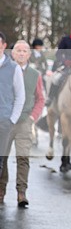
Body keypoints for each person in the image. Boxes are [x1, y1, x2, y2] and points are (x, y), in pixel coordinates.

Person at [0, 41, 44, 207]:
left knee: (23, 157)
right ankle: (1, 190)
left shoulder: (35, 74)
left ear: (29, 54)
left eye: (25, 51)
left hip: (25, 121)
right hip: (6, 120)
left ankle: (21, 192)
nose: (21, 54)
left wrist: (33, 117)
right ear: (12, 53)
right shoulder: (6, 70)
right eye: (18, 50)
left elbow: (40, 98)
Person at [0, 31, 26, 200]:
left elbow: (20, 96)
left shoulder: (14, 68)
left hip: (3, 121)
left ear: (3, 45)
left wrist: (12, 119)